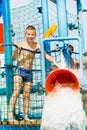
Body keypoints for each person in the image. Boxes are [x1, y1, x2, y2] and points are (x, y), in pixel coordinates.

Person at [8, 25, 59, 122]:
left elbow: (46, 55)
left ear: (35, 35)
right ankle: (10, 115)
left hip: (29, 72)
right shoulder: (21, 44)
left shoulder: (37, 45)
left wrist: (54, 62)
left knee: (27, 94)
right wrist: (16, 51)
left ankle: (26, 116)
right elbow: (13, 58)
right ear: (25, 34)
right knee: (17, 91)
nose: (30, 36)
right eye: (28, 34)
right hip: (19, 70)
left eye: (32, 34)